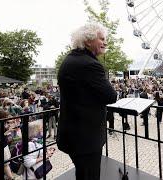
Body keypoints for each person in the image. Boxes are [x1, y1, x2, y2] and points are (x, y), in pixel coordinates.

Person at [57, 22, 117, 180]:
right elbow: (111, 96)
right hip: (86, 140)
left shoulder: (71, 59)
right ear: (88, 40)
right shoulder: (89, 64)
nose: (106, 42)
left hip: (73, 136)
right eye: (102, 39)